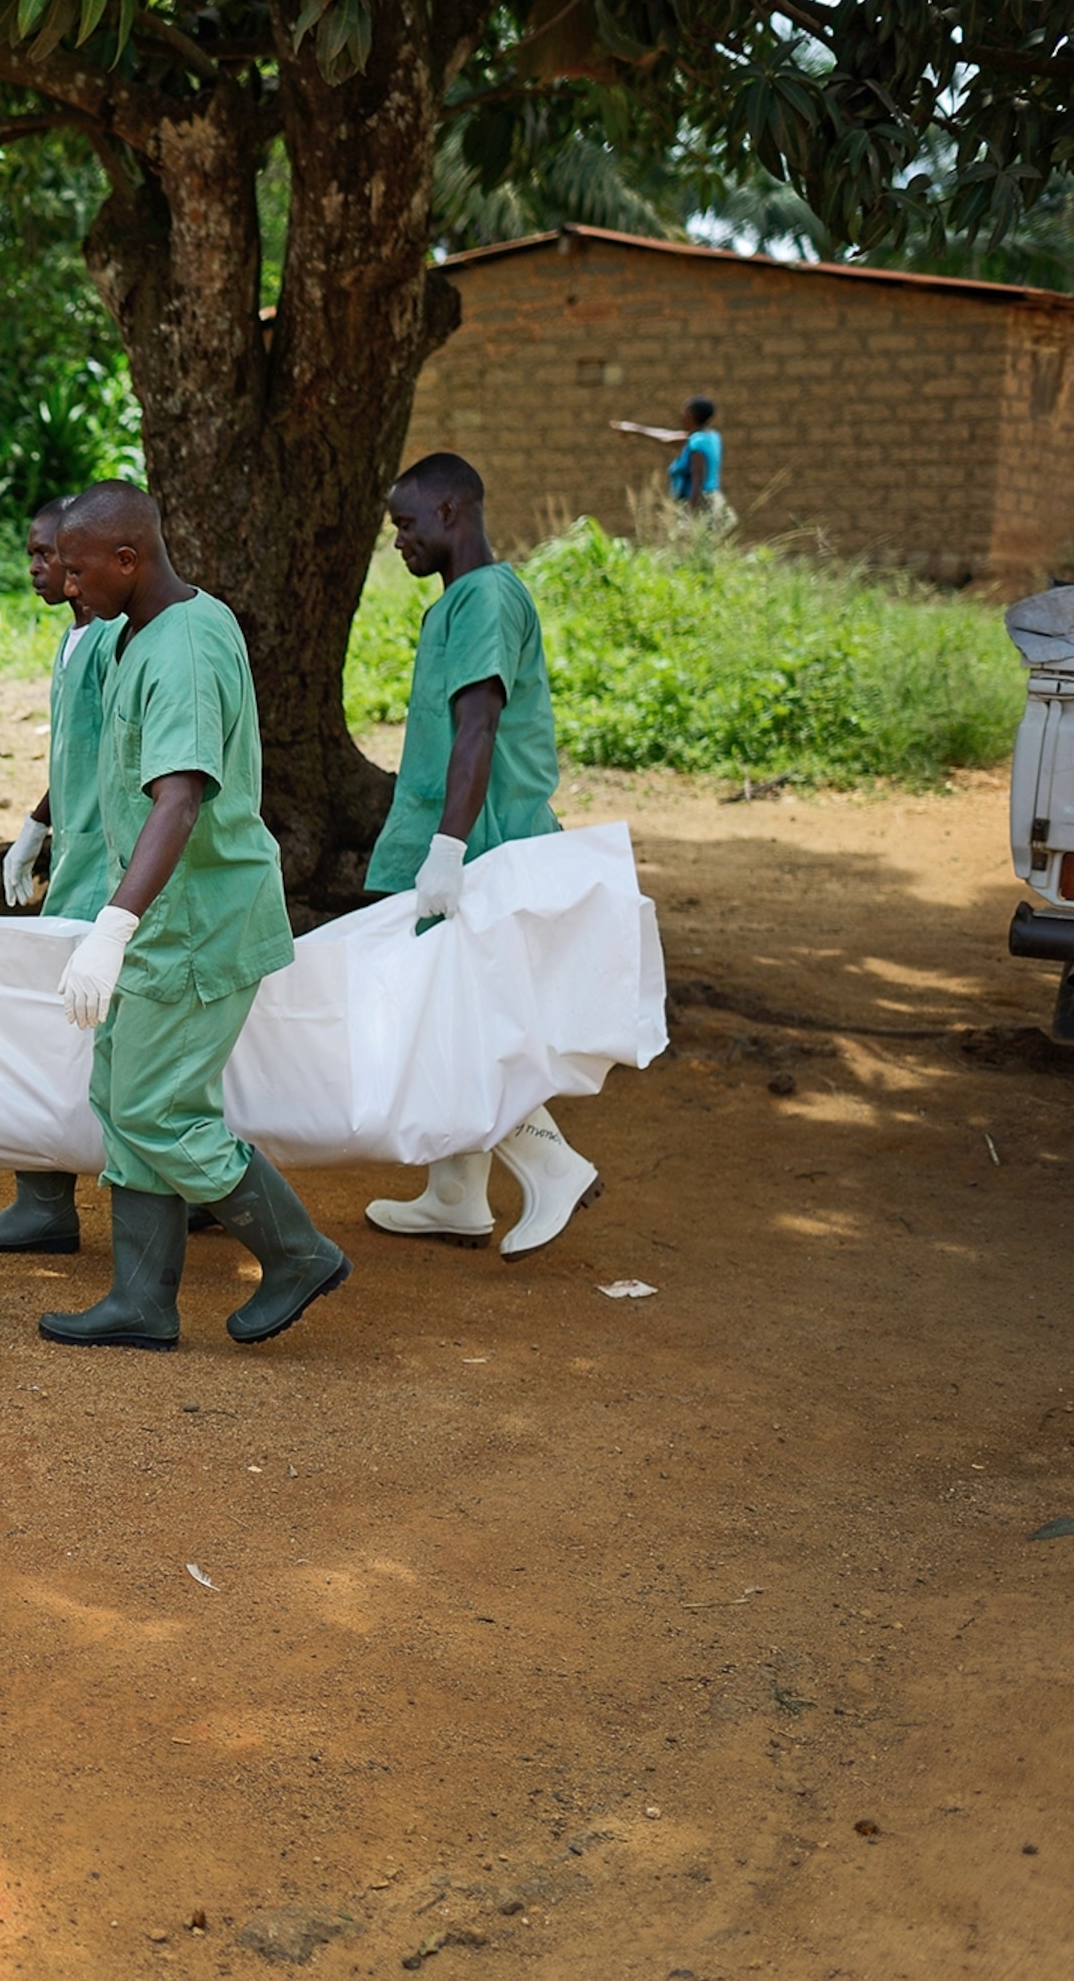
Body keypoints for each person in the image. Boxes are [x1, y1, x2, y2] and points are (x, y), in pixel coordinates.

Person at [36, 481, 350, 1351]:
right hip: (158, 920)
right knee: (122, 1095)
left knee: (159, 1111)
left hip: (193, 924)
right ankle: (141, 1300)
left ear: (129, 560)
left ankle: (297, 1254)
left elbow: (178, 800)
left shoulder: (181, 649)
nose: (67, 585)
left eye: (78, 568)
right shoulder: (134, 635)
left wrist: (112, 928)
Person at [360, 453, 599, 1256]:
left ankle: (551, 1163)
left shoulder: (485, 598)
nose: (398, 541)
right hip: (462, 840)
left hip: (484, 842)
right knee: (451, 1014)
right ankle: (457, 1193)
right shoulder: (458, 602)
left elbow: (479, 726)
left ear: (452, 511)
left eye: (406, 523)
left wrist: (449, 848)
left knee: (461, 1022)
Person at [0, 495, 109, 1253]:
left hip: (111, 865)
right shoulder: (75, 640)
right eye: (34, 555)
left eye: (49, 555)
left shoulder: (113, 640)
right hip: (77, 852)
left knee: (61, 1030)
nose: (37, 569)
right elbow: (76, 754)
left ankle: (47, 1202)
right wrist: (37, 825)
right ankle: (49, 1196)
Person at [613, 397, 724, 511]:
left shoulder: (698, 442)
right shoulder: (710, 436)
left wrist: (691, 514)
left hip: (699, 504)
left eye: (683, 410)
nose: (680, 414)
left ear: (691, 414)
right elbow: (667, 438)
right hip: (709, 500)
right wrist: (635, 429)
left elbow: (698, 480)